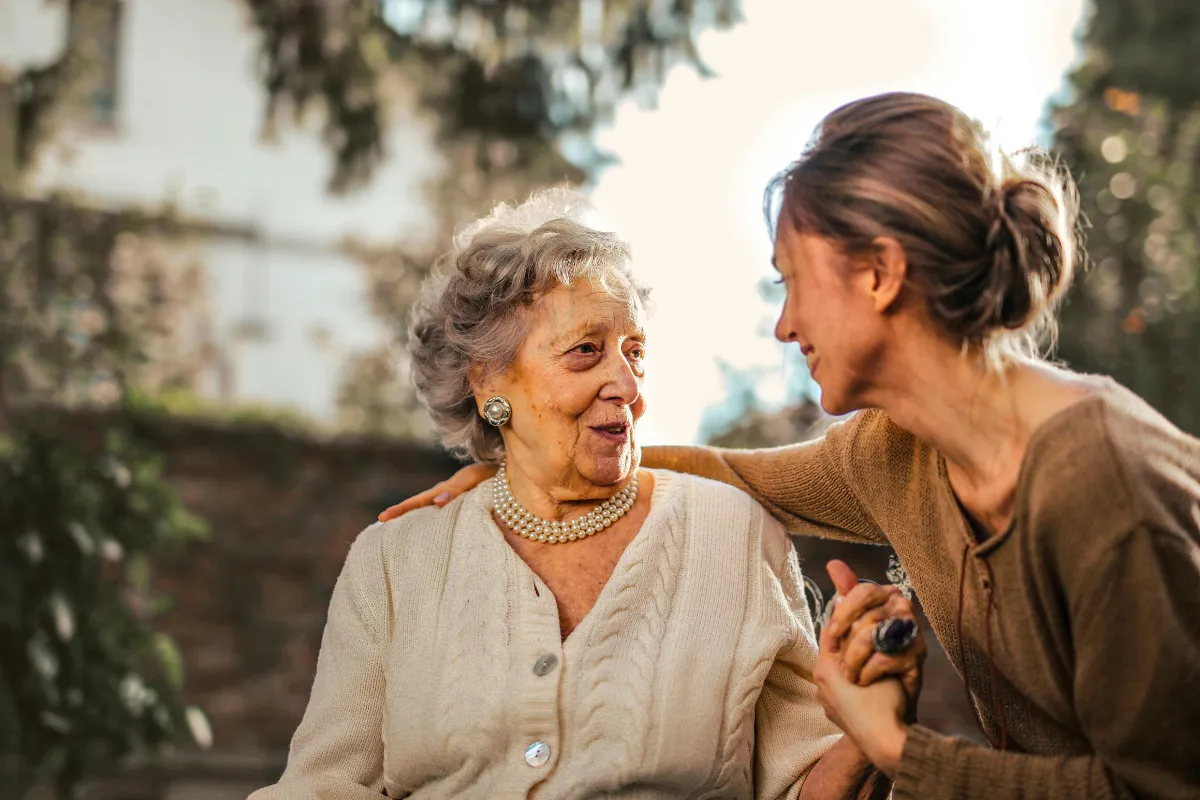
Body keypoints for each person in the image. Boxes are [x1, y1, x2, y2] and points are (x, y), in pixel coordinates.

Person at [379, 93, 1200, 799]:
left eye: (792, 280)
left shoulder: (1105, 486)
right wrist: (519, 469)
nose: (784, 324)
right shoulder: (894, 453)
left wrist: (894, 749)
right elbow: (734, 473)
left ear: (878, 274)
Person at [252, 189, 914, 800]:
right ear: (489, 385)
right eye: (585, 352)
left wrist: (866, 730)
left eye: (634, 351)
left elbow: (802, 785)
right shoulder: (395, 561)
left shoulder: (732, 535)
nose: (626, 384)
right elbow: (323, 787)